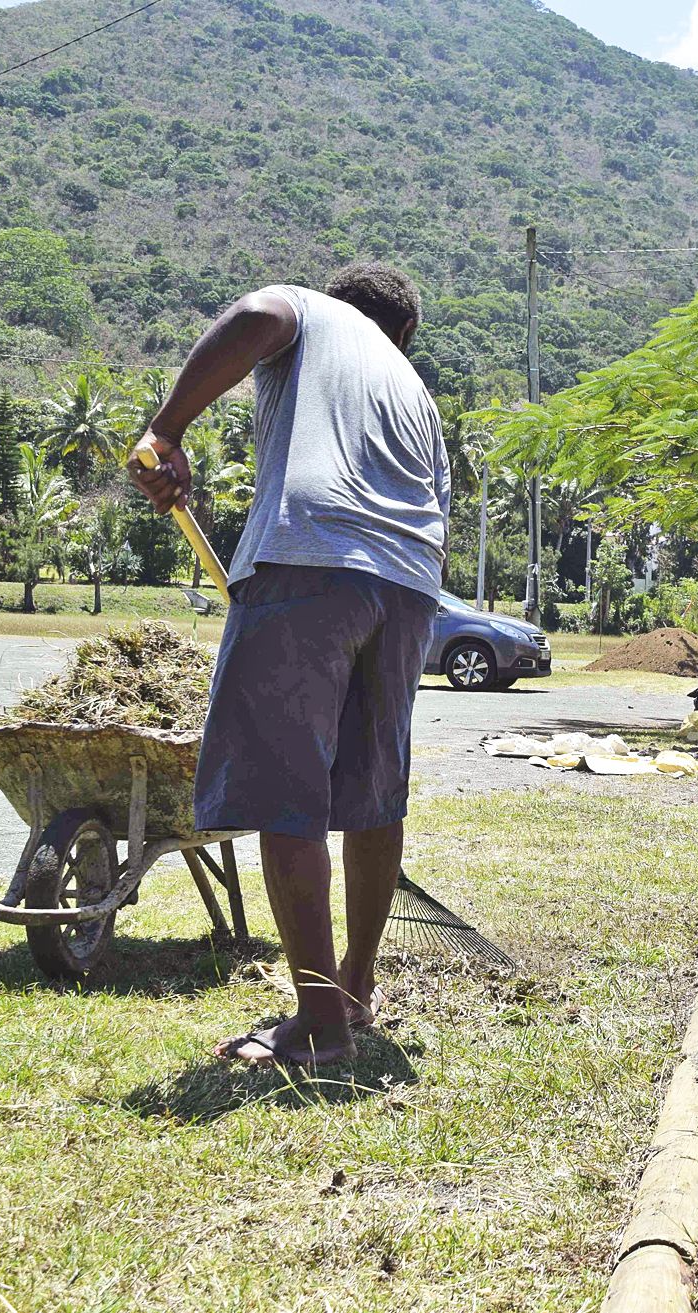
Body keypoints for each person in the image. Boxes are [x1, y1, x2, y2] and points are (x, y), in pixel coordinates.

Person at [129, 263, 449, 1068]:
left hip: (310, 561)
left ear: (342, 306)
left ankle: (318, 1023)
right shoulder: (416, 392)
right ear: (405, 334)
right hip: (409, 585)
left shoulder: (312, 312)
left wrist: (165, 431)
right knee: (375, 795)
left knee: (286, 791)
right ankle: (353, 990)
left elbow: (253, 312)